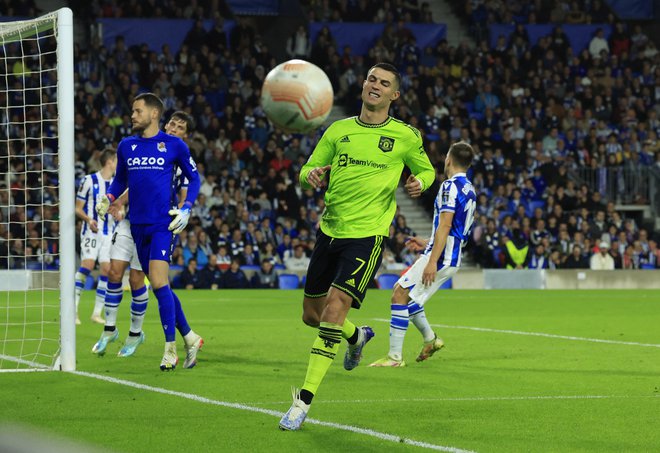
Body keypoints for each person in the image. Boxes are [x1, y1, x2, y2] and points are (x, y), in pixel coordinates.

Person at [279, 62, 436, 431]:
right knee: (311, 315)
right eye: (371, 79)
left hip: (368, 235)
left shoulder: (405, 136)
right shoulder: (338, 130)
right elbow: (306, 171)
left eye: (384, 83)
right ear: (363, 85)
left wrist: (420, 183)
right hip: (330, 230)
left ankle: (302, 402)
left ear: (394, 95)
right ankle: (358, 335)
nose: (375, 86)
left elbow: (426, 170)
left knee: (333, 311)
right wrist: (311, 175)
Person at [97, 93, 202, 371]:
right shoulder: (126, 146)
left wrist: (186, 208)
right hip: (136, 225)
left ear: (153, 114)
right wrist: (109, 197)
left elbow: (194, 178)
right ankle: (190, 337)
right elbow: (121, 179)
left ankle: (170, 349)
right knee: (159, 286)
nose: (132, 115)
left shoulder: (174, 146)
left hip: (162, 225)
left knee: (157, 282)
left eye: (137, 111)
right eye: (132, 111)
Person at [369, 141, 476, 367]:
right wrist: (427, 242)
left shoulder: (449, 186)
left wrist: (432, 261)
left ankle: (395, 358)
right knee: (408, 298)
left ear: (448, 159)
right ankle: (430, 339)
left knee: (399, 294)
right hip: (449, 254)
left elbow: (446, 226)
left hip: (441, 257)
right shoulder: (469, 189)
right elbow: (456, 229)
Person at [74, 148, 117, 325]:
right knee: (88, 265)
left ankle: (96, 313)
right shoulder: (89, 181)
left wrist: (119, 212)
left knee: (107, 270)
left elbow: (118, 207)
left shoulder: (116, 183)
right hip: (92, 231)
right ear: (109, 162)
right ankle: (73, 310)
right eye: (116, 161)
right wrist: (88, 219)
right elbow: (77, 208)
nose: (118, 165)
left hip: (109, 233)